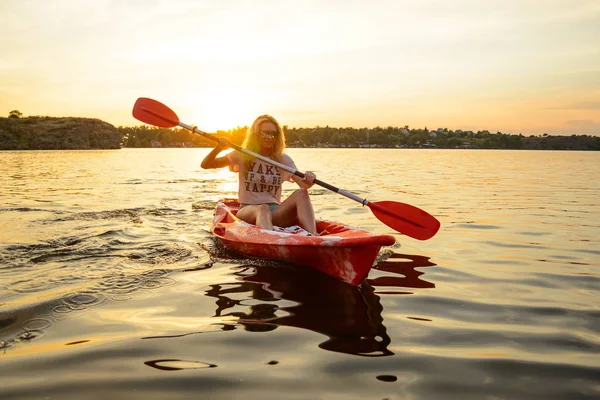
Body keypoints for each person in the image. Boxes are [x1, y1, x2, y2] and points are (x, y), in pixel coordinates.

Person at [201, 114, 319, 235]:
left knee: (301, 194)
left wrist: (309, 178)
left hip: (276, 212)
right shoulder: (242, 154)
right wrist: (218, 148)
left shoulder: (283, 159)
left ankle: (314, 236)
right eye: (266, 133)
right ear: (256, 134)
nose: (270, 137)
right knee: (263, 208)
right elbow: (206, 164)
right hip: (248, 210)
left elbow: (303, 185)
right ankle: (270, 239)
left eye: (274, 134)